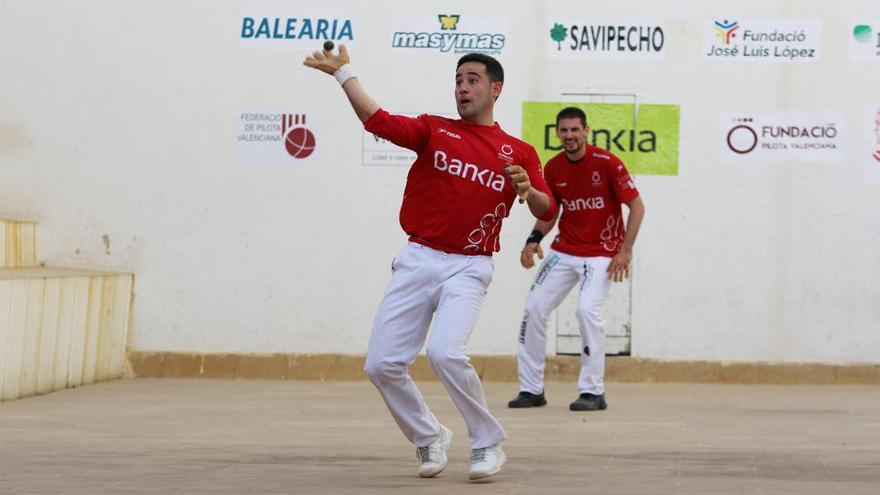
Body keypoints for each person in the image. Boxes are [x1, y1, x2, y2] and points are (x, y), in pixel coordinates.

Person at [303, 46, 558, 481]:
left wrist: (527, 189)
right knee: (381, 364)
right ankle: (429, 436)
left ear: (496, 89)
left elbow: (547, 209)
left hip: (470, 266)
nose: (462, 87)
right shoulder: (434, 130)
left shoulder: (518, 151)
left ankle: (486, 441)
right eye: (458, 79)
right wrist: (344, 73)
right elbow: (378, 122)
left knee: (443, 351)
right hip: (418, 257)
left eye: (473, 79)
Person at [507, 107, 645, 412]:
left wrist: (625, 250)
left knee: (586, 310)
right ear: (557, 133)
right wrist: (532, 240)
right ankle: (531, 390)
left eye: (574, 130)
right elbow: (549, 212)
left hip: (602, 255)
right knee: (534, 307)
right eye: (564, 130)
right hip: (564, 251)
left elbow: (637, 206)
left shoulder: (607, 163)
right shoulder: (554, 168)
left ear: (586, 131)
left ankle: (593, 392)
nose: (569, 136)